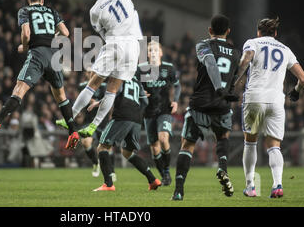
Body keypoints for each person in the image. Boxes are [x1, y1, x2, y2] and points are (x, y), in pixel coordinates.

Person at [0, 0, 80, 149]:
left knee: (20, 88)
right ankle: (73, 131)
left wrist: (24, 46)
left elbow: (26, 34)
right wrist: (51, 36)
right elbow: (65, 33)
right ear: (42, 0)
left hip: (37, 53)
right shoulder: (51, 10)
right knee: (61, 96)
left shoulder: (25, 11)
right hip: (53, 55)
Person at [236, 17, 304, 198]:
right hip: (276, 101)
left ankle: (250, 186)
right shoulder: (285, 50)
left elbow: (245, 61)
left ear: (258, 31)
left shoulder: (252, 42)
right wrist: (296, 92)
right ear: (275, 33)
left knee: (250, 141)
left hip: (255, 98)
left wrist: (232, 83)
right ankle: (277, 185)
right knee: (274, 145)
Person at [172, 15, 240, 201]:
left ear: (210, 30)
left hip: (201, 103)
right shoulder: (235, 52)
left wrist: (218, 88)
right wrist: (228, 92)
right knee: (223, 137)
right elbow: (236, 76)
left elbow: (210, 63)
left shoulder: (203, 45)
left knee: (187, 145)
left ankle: (178, 190)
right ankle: (222, 169)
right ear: (228, 31)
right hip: (222, 105)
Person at [70, 0, 143, 139]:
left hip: (116, 43)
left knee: (93, 82)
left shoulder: (94, 10)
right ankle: (94, 126)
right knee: (112, 89)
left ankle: (70, 116)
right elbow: (132, 15)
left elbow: (101, 32)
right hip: (134, 46)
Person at [91, 76, 161, 191]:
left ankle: (108, 185)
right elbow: (145, 101)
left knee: (102, 147)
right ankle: (153, 180)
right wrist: (136, 112)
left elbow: (113, 95)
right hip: (136, 119)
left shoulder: (119, 77)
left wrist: (98, 103)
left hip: (122, 116)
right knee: (127, 152)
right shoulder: (137, 81)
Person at [137, 40, 181, 186]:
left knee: (163, 139)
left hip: (164, 110)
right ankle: (164, 175)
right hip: (149, 112)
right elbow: (134, 85)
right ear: (147, 54)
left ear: (161, 53)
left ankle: (167, 170)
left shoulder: (168, 68)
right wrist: (140, 92)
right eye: (150, 50)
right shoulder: (142, 69)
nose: (153, 52)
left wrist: (175, 100)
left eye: (156, 50)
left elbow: (177, 85)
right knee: (154, 147)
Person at [56, 71, 114, 178]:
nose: (89, 73)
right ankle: (95, 163)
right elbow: (81, 99)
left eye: (91, 71)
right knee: (86, 142)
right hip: (88, 120)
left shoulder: (105, 85)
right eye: (87, 71)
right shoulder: (82, 86)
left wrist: (111, 114)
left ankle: (111, 171)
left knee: (108, 147)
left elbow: (110, 101)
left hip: (103, 120)